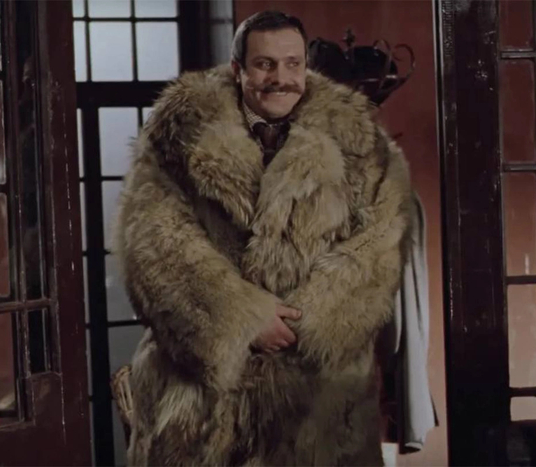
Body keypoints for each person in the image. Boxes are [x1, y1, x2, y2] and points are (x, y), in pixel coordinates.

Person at [113, 10, 413, 466]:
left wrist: (305, 322)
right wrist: (241, 317)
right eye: (265, 64)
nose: (281, 78)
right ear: (239, 70)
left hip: (319, 403)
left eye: (293, 64)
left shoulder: (361, 144)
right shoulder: (177, 136)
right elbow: (151, 245)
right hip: (202, 401)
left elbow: (380, 243)